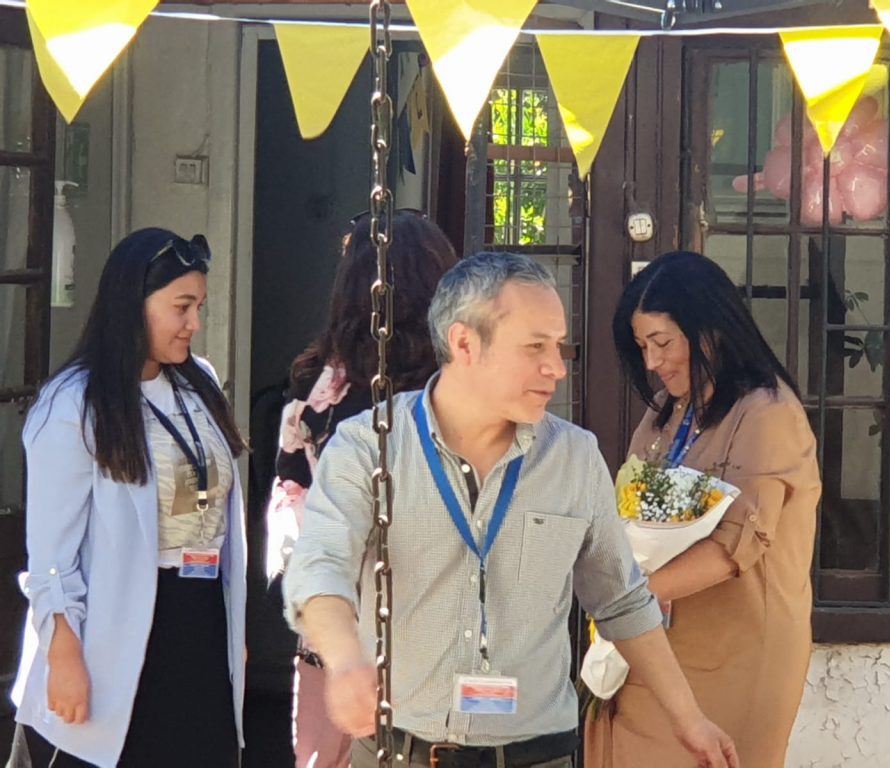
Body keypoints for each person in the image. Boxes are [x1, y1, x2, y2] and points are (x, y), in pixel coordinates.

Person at [283, 251, 740, 768]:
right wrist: (345, 661)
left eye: (558, 346)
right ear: (464, 344)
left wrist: (689, 720)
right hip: (403, 751)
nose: (556, 368)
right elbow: (321, 567)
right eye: (535, 347)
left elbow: (622, 599)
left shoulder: (573, 457)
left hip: (537, 754)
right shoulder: (369, 446)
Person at [9, 229, 247, 768]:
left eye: (199, 307)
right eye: (181, 307)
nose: (193, 323)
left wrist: (232, 635)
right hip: (117, 626)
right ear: (132, 304)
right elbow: (50, 553)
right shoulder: (73, 403)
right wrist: (63, 653)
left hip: (200, 615)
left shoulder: (200, 382)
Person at [585, 250, 821, 768]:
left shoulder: (768, 412)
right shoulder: (667, 413)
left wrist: (625, 600)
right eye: (643, 347)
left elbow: (734, 547)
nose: (652, 362)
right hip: (654, 644)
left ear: (711, 330)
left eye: (663, 342)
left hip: (737, 652)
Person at [265, 211, 458, 768]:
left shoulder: (316, 389)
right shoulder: (452, 391)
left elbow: (289, 504)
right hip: (433, 625)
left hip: (333, 630)